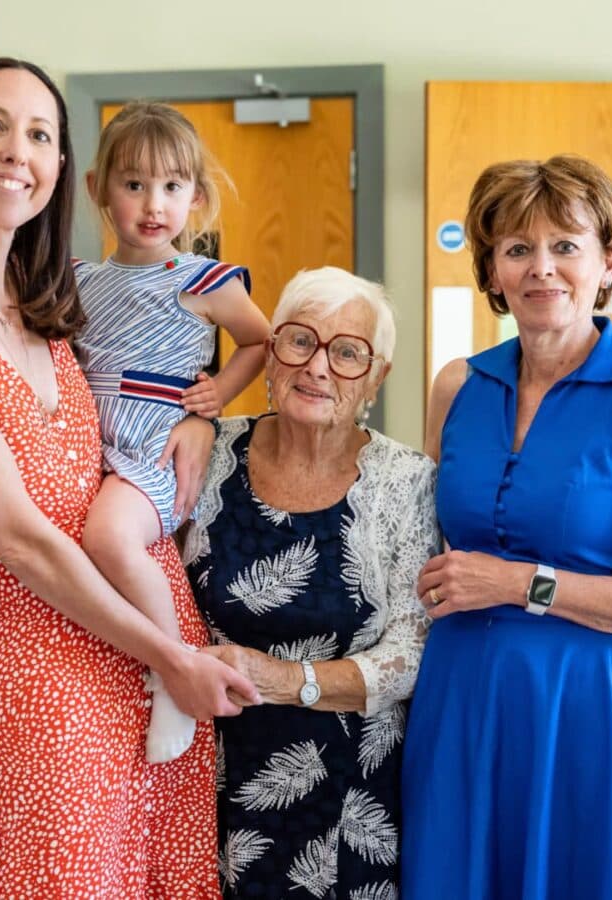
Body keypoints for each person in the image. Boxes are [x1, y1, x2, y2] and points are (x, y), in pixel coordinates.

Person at [0, 57, 258, 897]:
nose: (18, 151)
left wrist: (199, 412)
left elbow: (127, 426)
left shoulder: (45, 305)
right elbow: (10, 531)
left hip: (155, 648)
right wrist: (174, 661)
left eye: (39, 132)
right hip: (61, 680)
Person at [400, 155, 612, 899]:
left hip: (589, 704)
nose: (542, 268)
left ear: (606, 262)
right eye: (518, 250)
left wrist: (518, 583)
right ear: (494, 272)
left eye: (565, 246)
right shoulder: (457, 384)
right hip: (463, 696)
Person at [183, 267, 440, 898]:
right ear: (271, 353)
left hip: (353, 794)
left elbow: (411, 655)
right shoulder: (206, 451)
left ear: (375, 378)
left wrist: (286, 680)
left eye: (348, 353)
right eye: (300, 340)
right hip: (204, 775)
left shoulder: (407, 481)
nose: (318, 367)